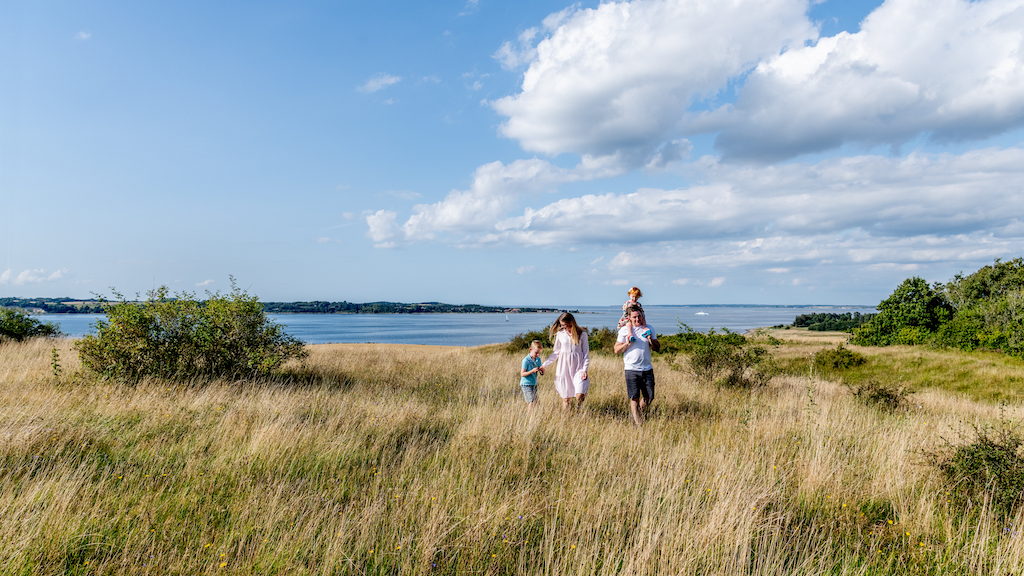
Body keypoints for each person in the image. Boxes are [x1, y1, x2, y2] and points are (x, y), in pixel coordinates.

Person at [614, 304, 660, 426]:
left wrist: (650, 339)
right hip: (631, 369)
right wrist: (627, 343)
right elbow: (616, 350)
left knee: (649, 397)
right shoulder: (624, 331)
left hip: (647, 368)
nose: (637, 319)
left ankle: (637, 414)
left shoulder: (649, 328)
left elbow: (657, 348)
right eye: (634, 317)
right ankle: (638, 424)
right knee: (634, 397)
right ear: (629, 318)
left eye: (639, 316)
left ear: (642, 316)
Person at [542, 312, 590, 410]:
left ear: (570, 322)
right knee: (566, 399)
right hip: (564, 368)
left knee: (580, 394)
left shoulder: (582, 334)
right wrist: (544, 365)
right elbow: (556, 353)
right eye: (561, 325)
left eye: (564, 325)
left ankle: (578, 410)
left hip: (578, 368)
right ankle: (566, 419)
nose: (562, 327)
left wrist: (585, 369)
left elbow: (585, 354)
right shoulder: (560, 334)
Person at [519, 340, 545, 413]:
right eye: (536, 352)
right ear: (531, 350)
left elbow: (541, 373)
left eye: (539, 353)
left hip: (534, 383)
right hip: (526, 384)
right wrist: (532, 371)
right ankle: (529, 416)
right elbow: (522, 374)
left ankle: (534, 415)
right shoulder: (526, 360)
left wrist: (542, 371)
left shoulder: (538, 359)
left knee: (536, 401)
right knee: (531, 402)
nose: (537, 354)